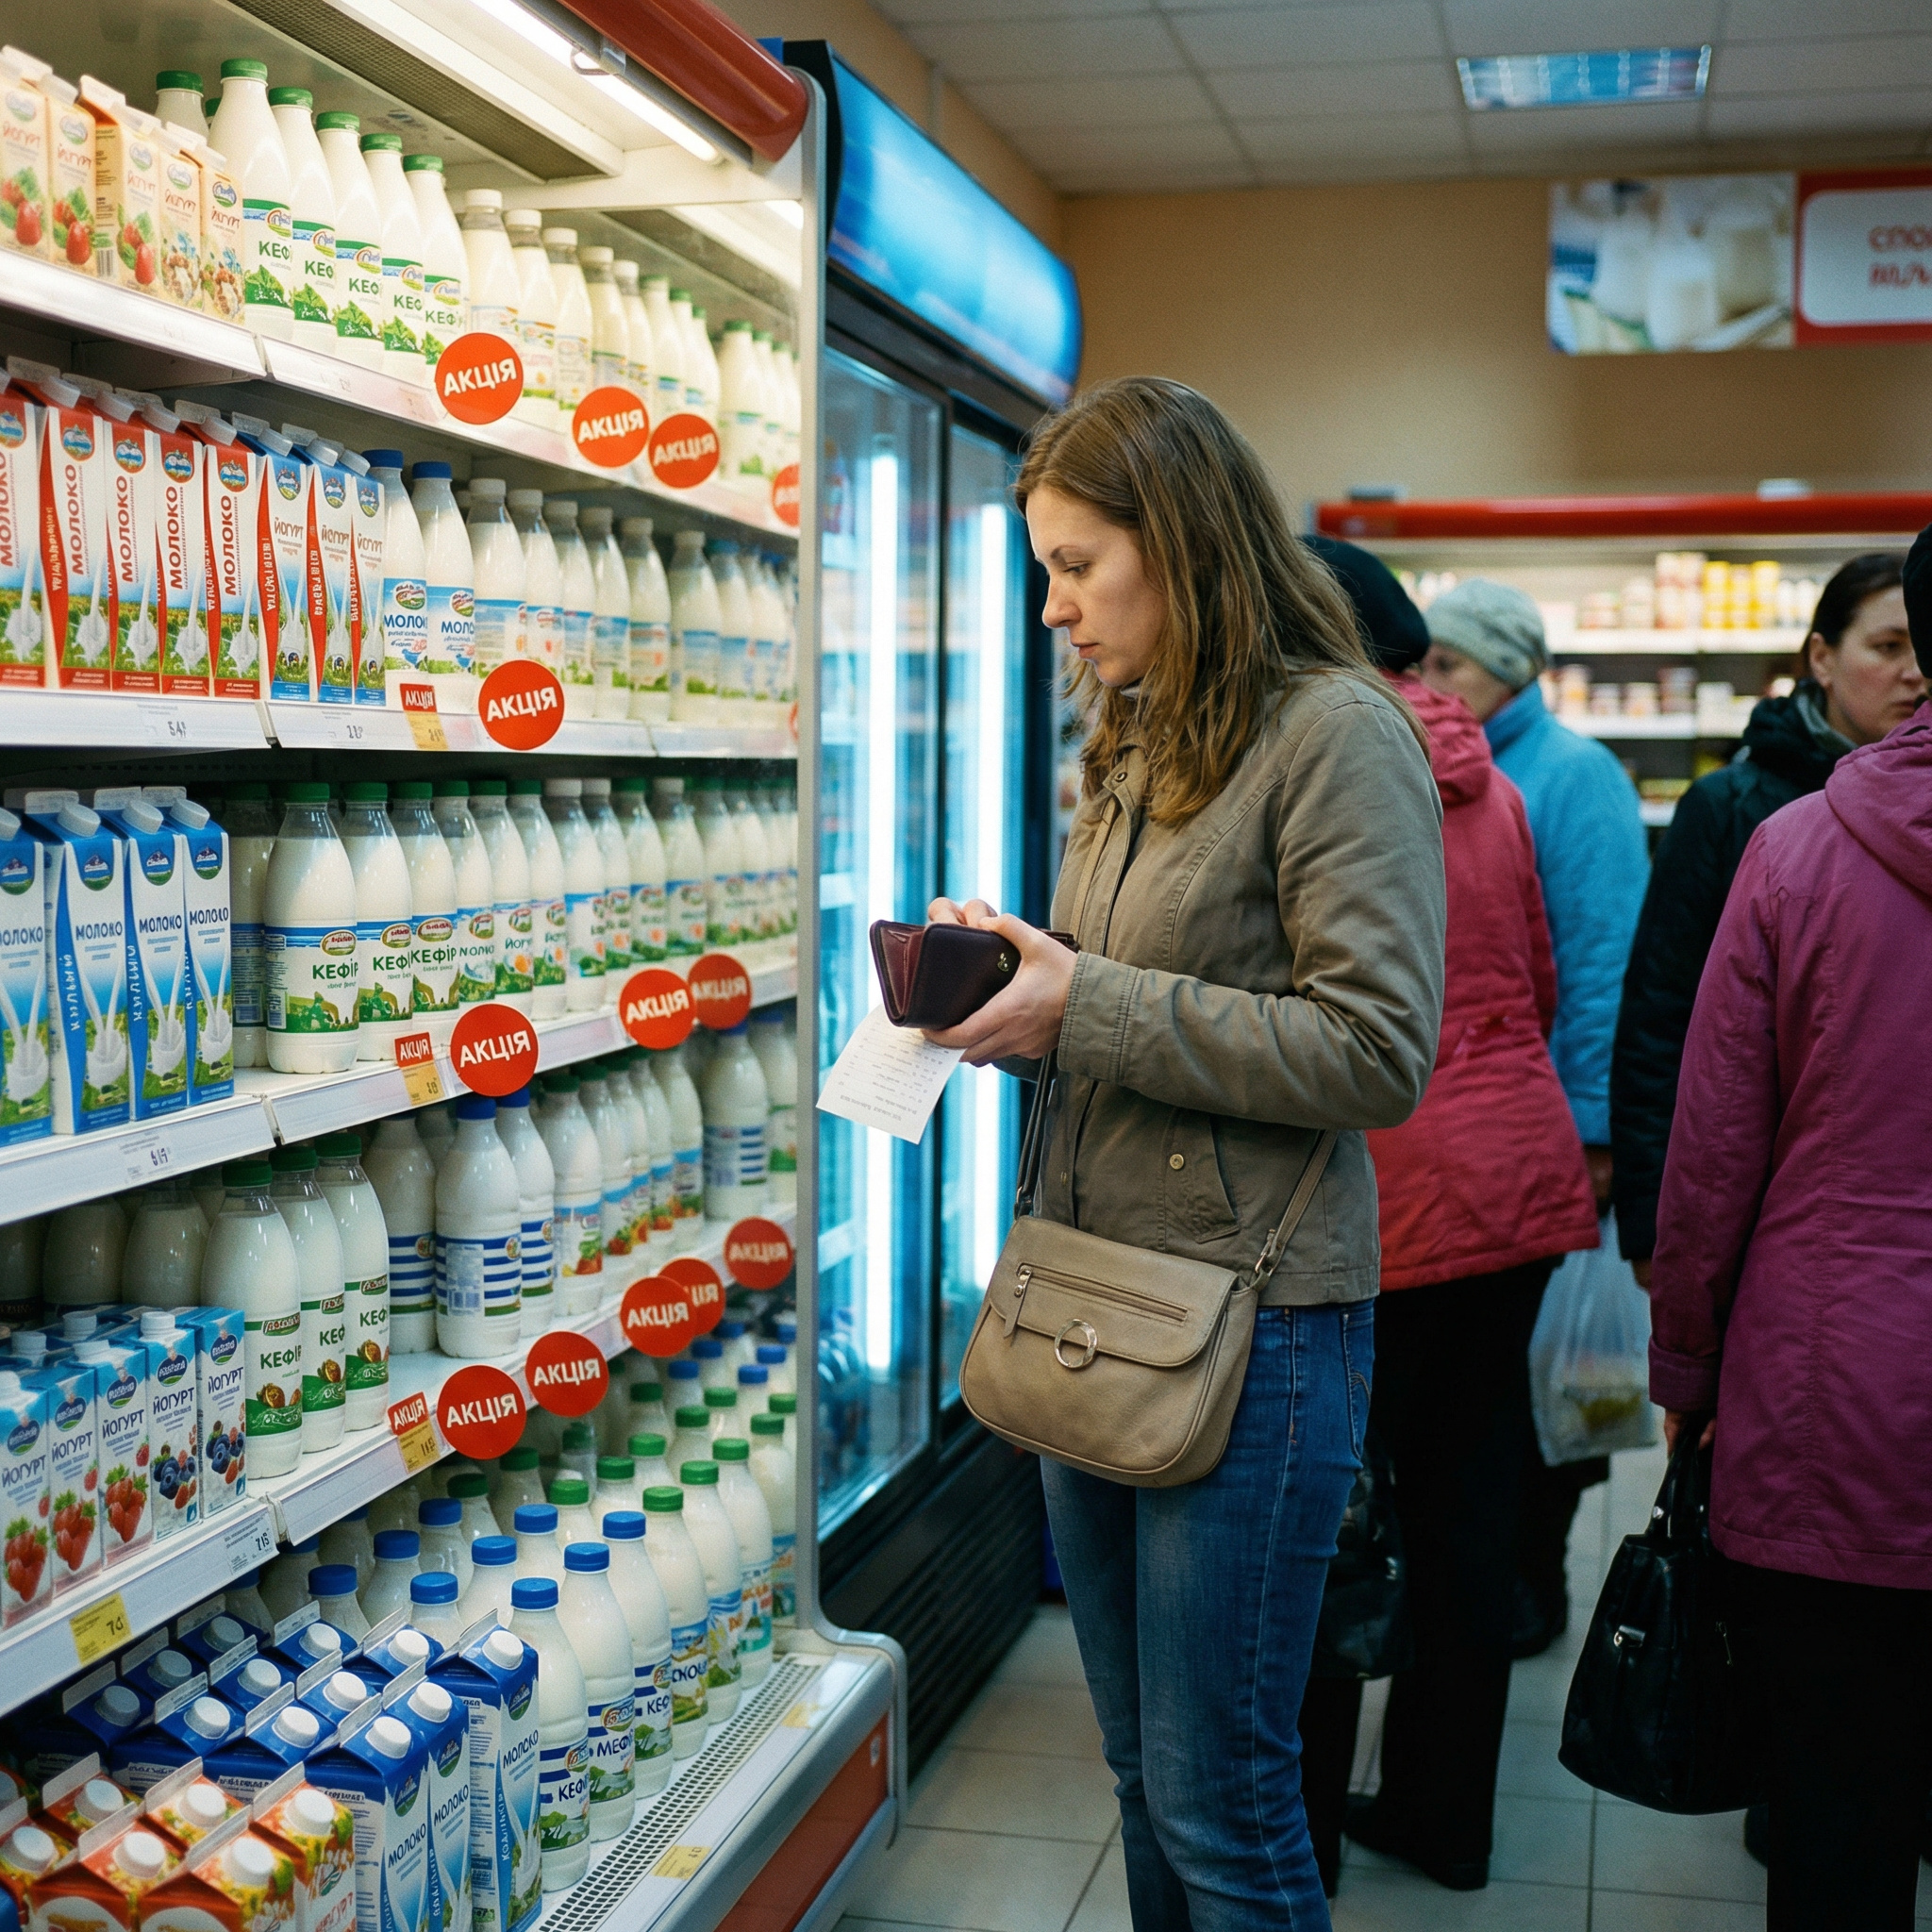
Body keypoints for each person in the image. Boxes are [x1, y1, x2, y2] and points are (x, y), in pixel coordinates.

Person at [924, 379, 1447, 1930]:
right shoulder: (1140, 732)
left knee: (1224, 1799)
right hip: (1096, 1295)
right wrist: (1013, 980)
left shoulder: (1334, 734)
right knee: (1147, 1776)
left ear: (1184, 540)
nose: (1051, 607)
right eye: (1042, 568)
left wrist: (1081, 999)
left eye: (1077, 564)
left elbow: (1375, 1049)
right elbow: (1127, 997)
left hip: (1255, 1324)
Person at [1296, 541, 1599, 1897]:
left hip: (1383, 1193)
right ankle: (1444, 1817)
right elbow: (1534, 980)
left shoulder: (1318, 769)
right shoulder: (1495, 781)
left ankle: (1294, 1836)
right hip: (1510, 1187)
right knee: (1473, 1514)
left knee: (1327, 1520)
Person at [1647, 522, 1932, 1932]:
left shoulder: (1797, 850)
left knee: (1835, 1811)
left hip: (1829, 1387)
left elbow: (1713, 1155)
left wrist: (1688, 1381)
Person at [1420, 580, 1649, 1650]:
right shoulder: (1467, 765)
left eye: (1450, 666)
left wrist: (1592, 1130)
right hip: (1492, 1137)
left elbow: (1602, 965)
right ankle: (1502, 1587)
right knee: (1497, 1396)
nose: (1430, 683)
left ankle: (1533, 1581)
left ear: (1509, 671)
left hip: (1537, 1133)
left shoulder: (1569, 775)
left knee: (1540, 1386)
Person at [1612, 553, 1918, 1278]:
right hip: (1758, 1200)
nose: (1916, 671)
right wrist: (1655, 1224)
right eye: (1887, 646)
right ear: (1821, 656)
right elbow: (1662, 1016)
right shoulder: (1729, 808)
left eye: (1926, 647)